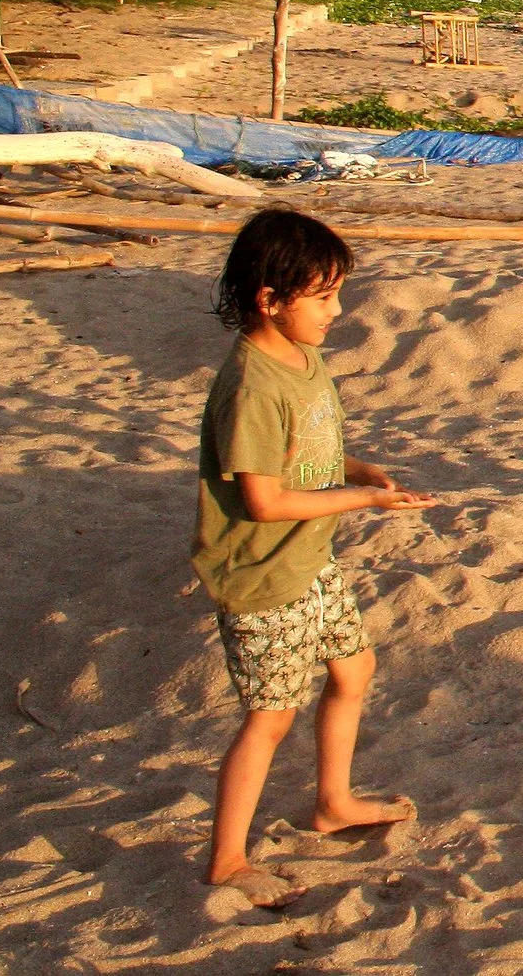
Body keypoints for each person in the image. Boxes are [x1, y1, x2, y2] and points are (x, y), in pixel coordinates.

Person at [191, 209, 434, 905]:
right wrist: (363, 503)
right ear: (270, 300)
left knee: (355, 670)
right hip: (264, 572)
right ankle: (228, 861)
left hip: (310, 559)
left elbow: (310, 451)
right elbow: (264, 500)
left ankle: (334, 802)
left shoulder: (301, 357)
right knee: (270, 717)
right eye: (323, 296)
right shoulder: (251, 385)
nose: (338, 309)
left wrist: (360, 469)